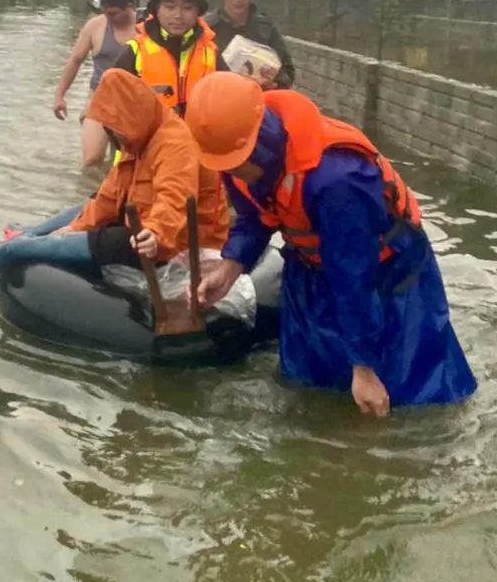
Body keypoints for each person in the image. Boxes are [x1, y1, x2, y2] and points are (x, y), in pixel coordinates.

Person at [184, 73, 477, 417]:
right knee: (308, 381)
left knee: (407, 397)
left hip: (386, 275)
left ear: (258, 142)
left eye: (236, 163)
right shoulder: (236, 159)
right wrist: (230, 267)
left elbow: (354, 275)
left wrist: (364, 368)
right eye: (224, 166)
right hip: (310, 268)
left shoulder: (337, 178)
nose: (231, 173)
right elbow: (254, 217)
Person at [0, 69, 228, 275]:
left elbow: (174, 199)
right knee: (93, 202)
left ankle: (12, 249)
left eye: (116, 128)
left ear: (133, 117)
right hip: (146, 223)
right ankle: (30, 234)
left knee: (114, 241)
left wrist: (155, 232)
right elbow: (110, 196)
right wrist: (73, 229)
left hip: (179, 243)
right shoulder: (141, 137)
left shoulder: (176, 145)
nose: (114, 135)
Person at [111, 0, 230, 114]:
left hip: (198, 134)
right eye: (169, 7)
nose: (178, 15)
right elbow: (112, 105)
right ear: (157, 11)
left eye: (187, 8)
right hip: (150, 134)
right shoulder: (134, 51)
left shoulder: (211, 52)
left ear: (197, 12)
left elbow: (231, 99)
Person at [53, 0, 139, 168]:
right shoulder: (95, 26)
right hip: (99, 99)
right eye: (105, 12)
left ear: (129, 7)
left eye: (114, 13)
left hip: (132, 103)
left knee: (124, 164)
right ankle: (90, 195)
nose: (109, 18)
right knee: (91, 161)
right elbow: (75, 60)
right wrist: (60, 94)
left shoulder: (145, 28)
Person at [205, 0, 295, 90]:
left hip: (257, 102)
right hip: (216, 102)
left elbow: (287, 72)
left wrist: (275, 84)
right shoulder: (206, 28)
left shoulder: (265, 28)